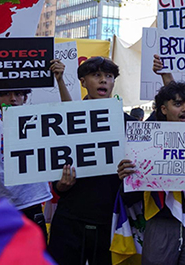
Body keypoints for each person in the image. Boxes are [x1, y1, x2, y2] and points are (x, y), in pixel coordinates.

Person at [116, 82, 185, 264]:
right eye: (178, 104)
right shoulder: (145, 142)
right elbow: (129, 197)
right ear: (164, 109)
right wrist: (126, 176)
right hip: (160, 220)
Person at [0, 59, 68, 241]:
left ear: (25, 98)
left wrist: (60, 81)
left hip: (34, 205)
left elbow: (71, 114)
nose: (12, 99)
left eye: (18, 94)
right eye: (6, 94)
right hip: (2, 208)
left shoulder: (41, 125)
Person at [47, 56, 136, 265]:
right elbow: (53, 167)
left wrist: (130, 176)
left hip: (110, 220)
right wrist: (61, 185)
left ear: (114, 82)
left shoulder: (132, 127)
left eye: (109, 76)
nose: (103, 80)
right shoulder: (62, 122)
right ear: (83, 82)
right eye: (96, 75)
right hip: (70, 218)